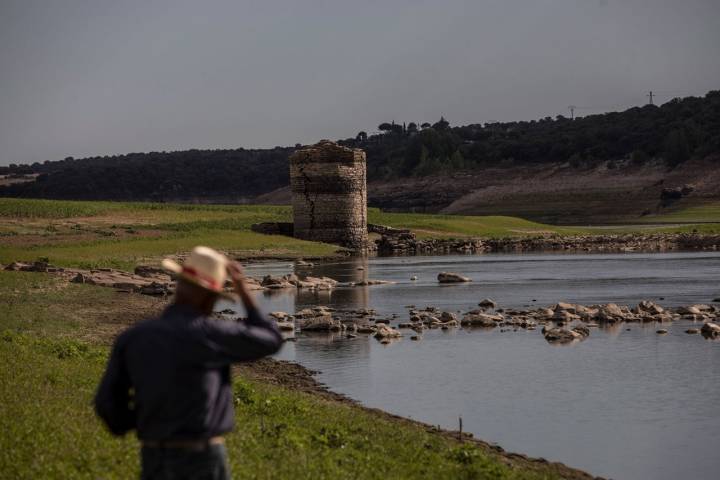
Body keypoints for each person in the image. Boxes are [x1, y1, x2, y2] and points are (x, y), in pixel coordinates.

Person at [95, 246, 282, 480]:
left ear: (179, 286)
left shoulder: (133, 338)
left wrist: (143, 420)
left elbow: (107, 404)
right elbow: (271, 339)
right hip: (202, 455)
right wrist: (244, 292)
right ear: (210, 297)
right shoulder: (211, 335)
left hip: (154, 453)